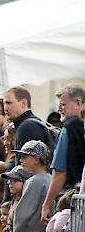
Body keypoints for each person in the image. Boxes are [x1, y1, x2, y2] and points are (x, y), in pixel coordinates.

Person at [41, 85, 85, 224]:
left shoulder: (68, 129)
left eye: (63, 104)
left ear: (78, 103)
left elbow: (60, 172)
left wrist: (46, 205)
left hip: (72, 201)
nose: (60, 109)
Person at [3, 86, 54, 164]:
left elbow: (23, 167)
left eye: (9, 103)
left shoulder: (26, 127)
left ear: (23, 103)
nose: (5, 108)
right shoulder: (33, 123)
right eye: (4, 103)